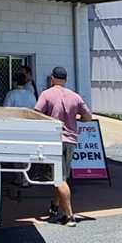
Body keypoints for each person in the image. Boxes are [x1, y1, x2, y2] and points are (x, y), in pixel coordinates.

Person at [35, 66, 92, 227]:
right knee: (63, 177)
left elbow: (37, 114)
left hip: (54, 140)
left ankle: (69, 216)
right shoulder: (75, 96)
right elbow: (88, 117)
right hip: (71, 141)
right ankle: (55, 206)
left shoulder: (46, 94)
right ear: (66, 80)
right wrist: (77, 118)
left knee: (58, 179)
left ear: (52, 78)